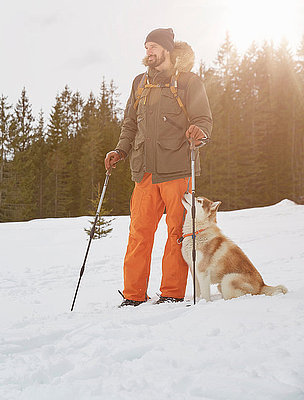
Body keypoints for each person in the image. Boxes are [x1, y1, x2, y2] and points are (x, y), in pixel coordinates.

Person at [105, 28, 213, 307]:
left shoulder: (189, 82)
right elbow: (130, 123)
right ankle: (133, 296)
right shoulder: (139, 83)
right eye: (146, 47)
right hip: (145, 171)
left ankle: (172, 294)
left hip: (177, 168)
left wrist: (199, 131)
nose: (148, 52)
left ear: (167, 49)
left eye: (153, 46)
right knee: (138, 234)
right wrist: (120, 150)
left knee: (177, 233)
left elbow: (204, 119)